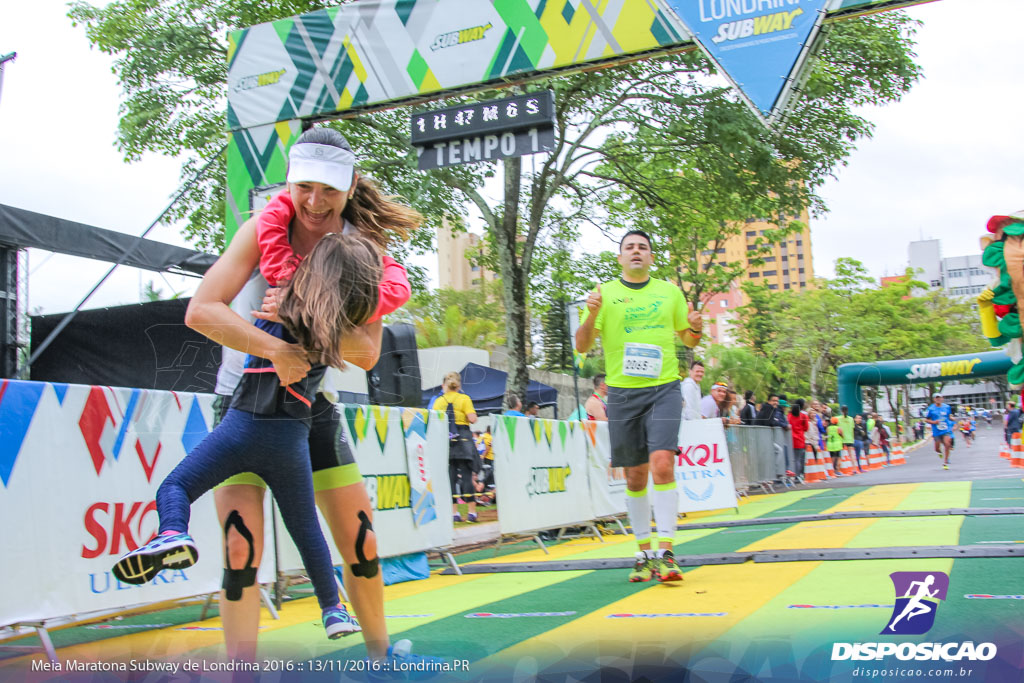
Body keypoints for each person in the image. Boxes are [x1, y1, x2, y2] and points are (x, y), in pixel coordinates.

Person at [144, 127, 420, 664]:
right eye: (304, 187)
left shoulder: (363, 248)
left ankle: (383, 660)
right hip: (242, 404)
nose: (315, 202)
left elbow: (365, 354)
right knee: (240, 551)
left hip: (310, 408)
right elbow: (202, 311)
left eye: (330, 191)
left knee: (360, 542)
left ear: (350, 186)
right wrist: (275, 348)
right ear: (290, 183)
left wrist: (301, 324)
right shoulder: (259, 229)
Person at [575, 229, 702, 583]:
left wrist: (695, 328)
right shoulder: (604, 293)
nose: (636, 251)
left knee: (662, 464)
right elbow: (583, 346)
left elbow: (689, 337)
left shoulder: (669, 292)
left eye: (643, 247)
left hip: (663, 388)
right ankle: (644, 553)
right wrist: (589, 315)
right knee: (635, 475)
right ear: (620, 258)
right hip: (622, 393)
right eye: (629, 247)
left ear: (650, 257)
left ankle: (667, 552)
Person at [432, 372, 480, 523]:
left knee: (451, 477)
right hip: (463, 438)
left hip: (446, 441)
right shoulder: (464, 399)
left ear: (444, 385)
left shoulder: (438, 401)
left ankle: (454, 513)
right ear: (459, 385)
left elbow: (434, 422)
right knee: (466, 476)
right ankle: (471, 513)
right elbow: (473, 419)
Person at [925, 393, 954, 470]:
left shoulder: (947, 407)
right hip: (936, 431)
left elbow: (949, 416)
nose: (938, 399)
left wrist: (952, 419)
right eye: (936, 398)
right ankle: (939, 452)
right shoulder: (931, 409)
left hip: (946, 429)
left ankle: (945, 462)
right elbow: (926, 419)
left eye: (939, 398)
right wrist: (934, 422)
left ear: (942, 398)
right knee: (937, 448)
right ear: (934, 399)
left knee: (947, 444)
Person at [788, 402, 809, 477]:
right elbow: (806, 428)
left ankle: (794, 475)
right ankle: (798, 476)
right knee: (799, 459)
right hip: (800, 439)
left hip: (790, 439)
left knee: (793, 459)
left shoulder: (789, 415)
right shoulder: (803, 416)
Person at [837, 406, 856, 472]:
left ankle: (838, 470)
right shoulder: (851, 419)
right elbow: (853, 429)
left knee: (840, 455)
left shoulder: (838, 418)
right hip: (850, 439)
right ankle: (854, 469)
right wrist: (853, 438)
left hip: (841, 439)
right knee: (851, 455)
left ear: (841, 410)